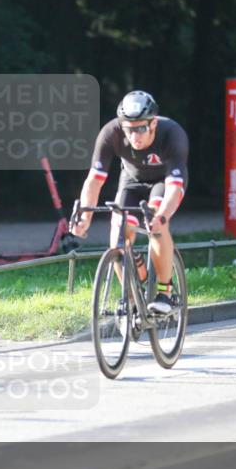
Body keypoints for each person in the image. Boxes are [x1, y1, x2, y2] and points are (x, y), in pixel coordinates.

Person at [72, 90, 188, 315]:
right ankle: (133, 297)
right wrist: (85, 217)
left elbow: (175, 188)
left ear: (153, 123)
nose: (135, 136)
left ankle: (165, 292)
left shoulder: (172, 134)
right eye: (129, 129)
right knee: (118, 233)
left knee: (156, 223)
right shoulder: (110, 132)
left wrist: (162, 217)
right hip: (132, 181)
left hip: (164, 181)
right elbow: (93, 181)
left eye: (141, 128)